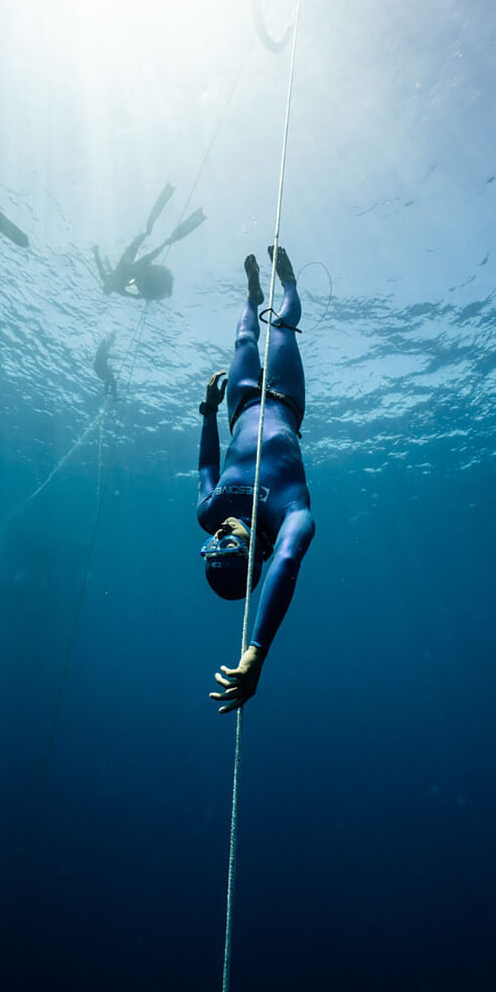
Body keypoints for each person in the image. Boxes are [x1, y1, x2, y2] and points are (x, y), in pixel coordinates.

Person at [197, 247, 315, 713]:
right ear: (250, 556)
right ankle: (289, 284)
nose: (220, 534)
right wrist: (256, 651)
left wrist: (208, 413)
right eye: (228, 546)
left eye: (213, 545)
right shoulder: (289, 516)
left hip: (241, 405)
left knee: (244, 339)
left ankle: (251, 295)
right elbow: (286, 561)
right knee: (281, 328)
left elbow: (207, 469)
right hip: (286, 398)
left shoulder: (210, 513)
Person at [92, 183, 205, 301]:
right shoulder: (116, 287)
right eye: (108, 288)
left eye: (107, 286)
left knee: (144, 245)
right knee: (149, 250)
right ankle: (158, 235)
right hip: (134, 269)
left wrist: (95, 253)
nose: (109, 285)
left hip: (130, 266)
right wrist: (141, 296)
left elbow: (99, 265)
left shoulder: (107, 281)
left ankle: (155, 234)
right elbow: (131, 295)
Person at [94, 332, 117, 400]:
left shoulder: (104, 348)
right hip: (99, 369)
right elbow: (105, 356)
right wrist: (118, 358)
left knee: (109, 377)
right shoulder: (102, 348)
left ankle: (106, 393)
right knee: (111, 379)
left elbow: (104, 358)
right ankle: (113, 395)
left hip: (100, 370)